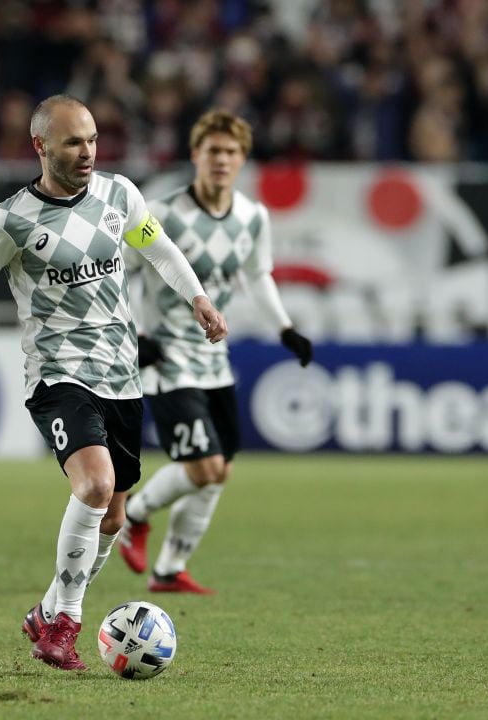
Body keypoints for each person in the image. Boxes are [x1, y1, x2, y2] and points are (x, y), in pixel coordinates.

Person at [0, 94, 227, 671]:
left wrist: (197, 295)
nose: (88, 152)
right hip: (57, 374)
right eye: (74, 142)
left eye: (94, 139)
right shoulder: (9, 221)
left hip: (122, 374)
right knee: (95, 486)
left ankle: (46, 611)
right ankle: (64, 628)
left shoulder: (118, 194)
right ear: (40, 145)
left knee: (114, 517)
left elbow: (158, 248)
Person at [118, 109, 313, 595]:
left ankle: (169, 570)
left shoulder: (253, 217)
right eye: (213, 151)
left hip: (213, 357)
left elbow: (256, 276)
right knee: (203, 466)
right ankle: (134, 515)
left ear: (243, 159)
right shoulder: (161, 214)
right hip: (166, 356)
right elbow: (119, 270)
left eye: (230, 152)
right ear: (195, 156)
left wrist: (285, 329)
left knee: (219, 470)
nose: (221, 160)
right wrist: (135, 333)